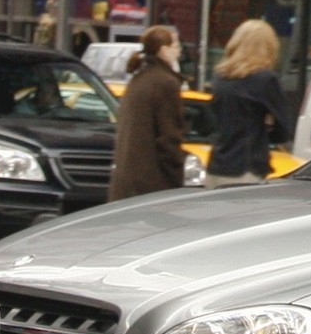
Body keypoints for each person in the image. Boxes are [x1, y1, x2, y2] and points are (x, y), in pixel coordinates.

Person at [206, 18, 294, 187]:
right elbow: (284, 127)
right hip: (247, 166)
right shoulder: (265, 79)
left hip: (217, 164)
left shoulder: (219, 76)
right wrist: (266, 131)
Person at [107, 25, 187, 200]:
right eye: (176, 46)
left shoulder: (139, 79)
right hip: (152, 183)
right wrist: (176, 176)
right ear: (164, 50)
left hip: (127, 181)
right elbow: (169, 137)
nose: (179, 51)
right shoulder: (165, 83)